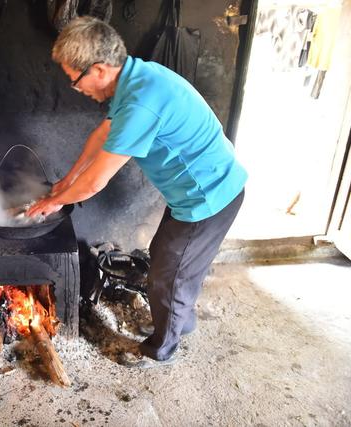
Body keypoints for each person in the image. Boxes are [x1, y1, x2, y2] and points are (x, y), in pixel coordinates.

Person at [26, 16, 248, 368]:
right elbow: (103, 134)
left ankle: (162, 348)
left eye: (75, 79)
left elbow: (98, 181)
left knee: (168, 275)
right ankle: (178, 321)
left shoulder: (141, 101)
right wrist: (66, 181)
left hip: (209, 196)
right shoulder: (133, 79)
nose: (76, 87)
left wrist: (52, 203)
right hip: (191, 192)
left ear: (98, 69)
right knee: (165, 258)